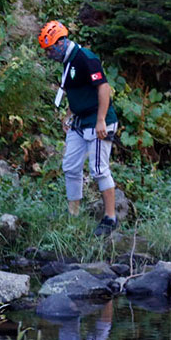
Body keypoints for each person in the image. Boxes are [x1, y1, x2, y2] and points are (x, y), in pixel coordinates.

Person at [39, 20, 120, 236]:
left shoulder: (85, 58)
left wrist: (101, 120)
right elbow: (76, 92)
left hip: (97, 120)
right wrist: (68, 115)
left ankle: (110, 218)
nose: (49, 55)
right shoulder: (67, 62)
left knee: (99, 169)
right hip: (79, 121)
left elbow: (103, 88)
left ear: (61, 42)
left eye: (50, 50)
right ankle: (73, 214)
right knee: (70, 166)